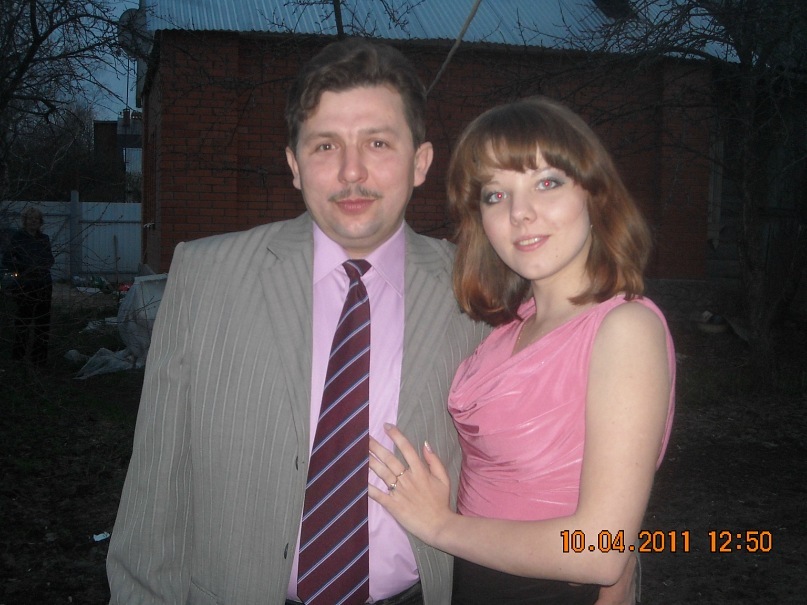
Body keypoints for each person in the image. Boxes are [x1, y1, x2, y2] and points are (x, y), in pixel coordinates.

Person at [106, 38, 489, 605]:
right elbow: (157, 485)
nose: (351, 171)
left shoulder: (479, 293)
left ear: (421, 162)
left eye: (378, 143)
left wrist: (612, 560)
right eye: (325, 145)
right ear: (294, 165)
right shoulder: (206, 277)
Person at [368, 97, 676, 604]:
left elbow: (600, 551)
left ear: (594, 193)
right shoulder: (508, 326)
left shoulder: (625, 327)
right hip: (471, 582)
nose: (520, 213)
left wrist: (439, 524)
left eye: (547, 183)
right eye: (495, 195)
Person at [2, 207, 54, 367]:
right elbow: (7, 260)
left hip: (43, 285)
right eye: (30, 218)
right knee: (23, 323)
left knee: (42, 324)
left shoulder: (44, 239)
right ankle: (18, 360)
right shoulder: (18, 238)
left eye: (36, 218)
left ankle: (39, 361)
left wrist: (42, 267)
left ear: (40, 221)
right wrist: (23, 269)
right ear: (25, 221)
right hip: (25, 286)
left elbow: (50, 259)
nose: (33, 221)